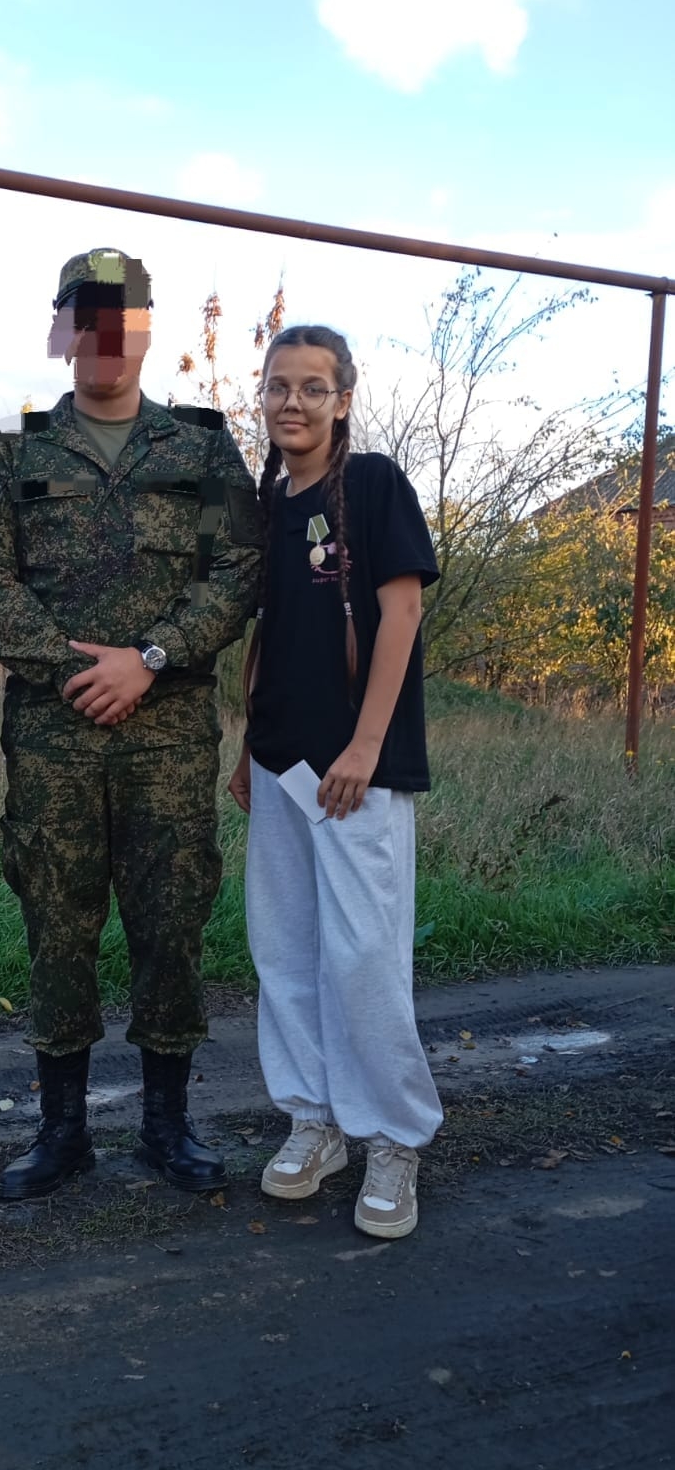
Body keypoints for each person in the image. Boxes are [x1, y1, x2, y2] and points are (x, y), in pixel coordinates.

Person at [0, 248, 261, 1200]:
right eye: (85, 318)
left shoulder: (205, 450)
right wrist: (75, 670)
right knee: (57, 922)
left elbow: (241, 573)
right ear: (62, 332)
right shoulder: (15, 454)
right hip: (54, 736)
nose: (103, 338)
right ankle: (63, 1131)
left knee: (171, 924)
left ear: (143, 330)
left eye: (121, 319)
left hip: (169, 736)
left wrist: (152, 659)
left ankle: (168, 1127)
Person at [228, 324, 443, 1239]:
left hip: (355, 770)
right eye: (279, 387)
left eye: (313, 388)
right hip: (279, 761)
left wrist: (364, 744)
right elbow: (268, 634)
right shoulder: (267, 505)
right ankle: (315, 1121)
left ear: (343, 399)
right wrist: (247, 744)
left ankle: (394, 1136)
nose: (293, 403)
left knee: (361, 958)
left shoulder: (373, 484)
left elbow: (401, 612)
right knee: (284, 952)